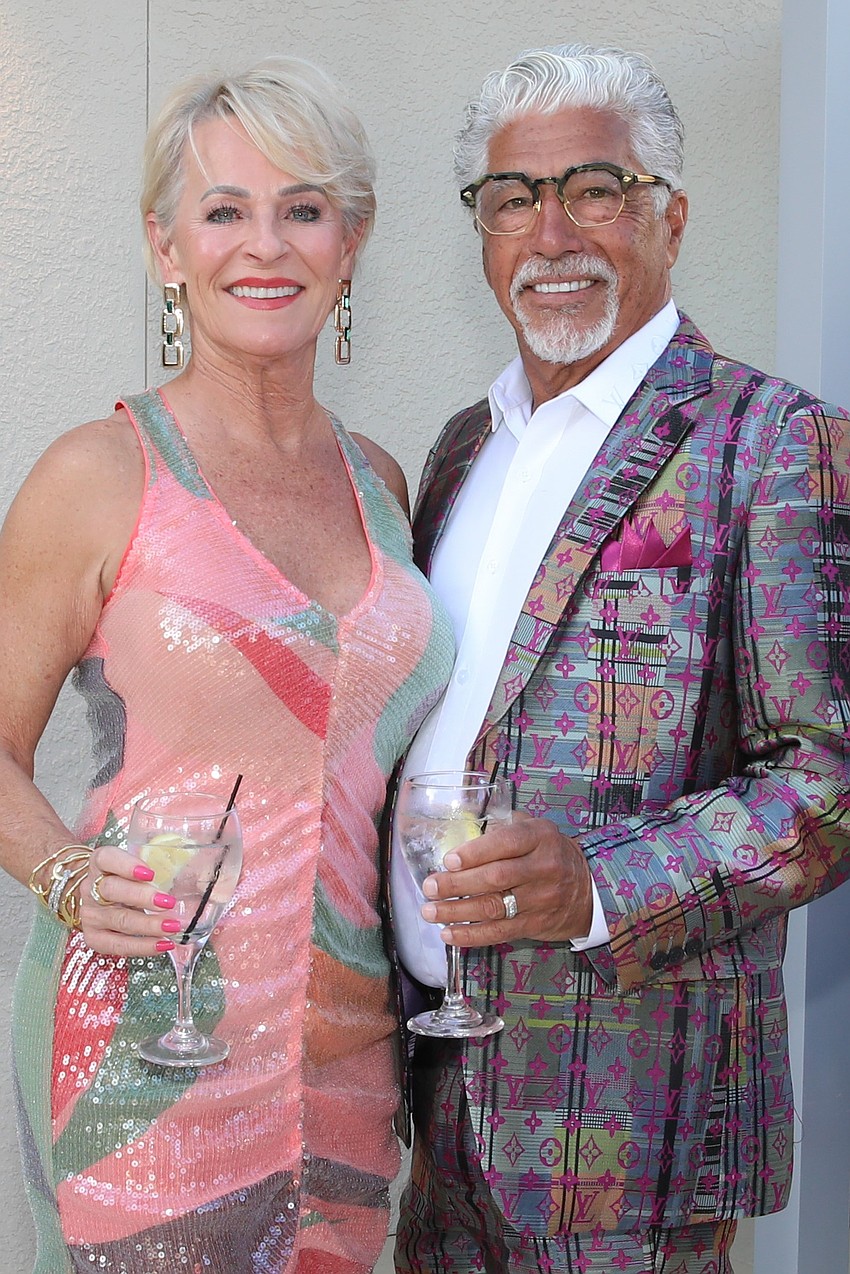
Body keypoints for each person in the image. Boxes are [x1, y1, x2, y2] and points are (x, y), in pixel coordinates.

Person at [390, 42, 850, 1274]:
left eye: (595, 188)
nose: (551, 232)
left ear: (670, 215)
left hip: (633, 1134)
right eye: (511, 199)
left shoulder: (774, 443)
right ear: (479, 232)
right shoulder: (457, 451)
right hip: (440, 1106)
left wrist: (595, 886)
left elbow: (827, 781)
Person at [0, 57, 453, 1274]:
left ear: (349, 242)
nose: (267, 244)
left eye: (303, 208)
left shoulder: (381, 483)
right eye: (223, 209)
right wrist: (59, 873)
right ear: (165, 247)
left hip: (353, 1062)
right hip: (142, 1061)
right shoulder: (97, 477)